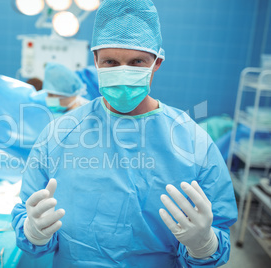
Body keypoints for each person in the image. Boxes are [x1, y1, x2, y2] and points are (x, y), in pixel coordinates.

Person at [12, 1, 237, 267]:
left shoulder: (192, 141)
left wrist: (204, 244)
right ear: (95, 60)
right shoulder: (59, 134)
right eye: (110, 62)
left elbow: (219, 234)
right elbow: (27, 216)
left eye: (136, 62)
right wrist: (33, 232)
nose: (122, 72)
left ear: (156, 63)